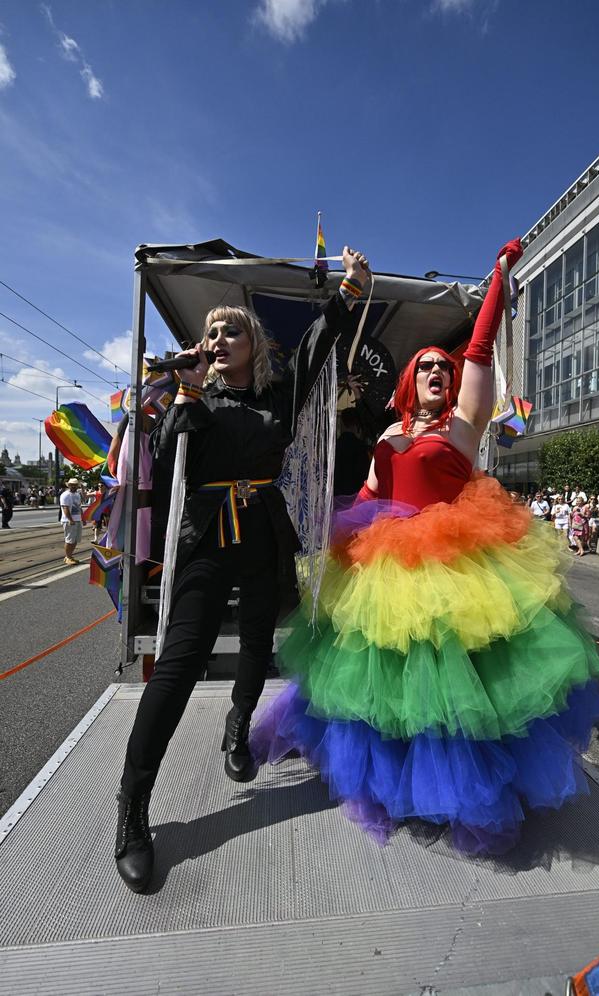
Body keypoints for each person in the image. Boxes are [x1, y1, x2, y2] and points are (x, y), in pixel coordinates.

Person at [251, 238, 599, 856]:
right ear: (411, 383)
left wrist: (496, 278)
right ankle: (398, 781)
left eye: (445, 368)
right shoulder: (389, 432)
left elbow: (479, 346)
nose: (440, 373)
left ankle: (460, 790)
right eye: (428, 368)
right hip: (389, 570)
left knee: (456, 686)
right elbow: (366, 494)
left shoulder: (464, 428)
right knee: (388, 683)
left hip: (457, 567)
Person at [114, 245, 372, 893]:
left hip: (262, 533)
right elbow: (171, 454)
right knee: (177, 663)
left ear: (255, 344)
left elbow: (316, 347)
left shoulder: (278, 398)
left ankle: (239, 723)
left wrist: (348, 294)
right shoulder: (191, 399)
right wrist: (187, 392)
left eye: (232, 330)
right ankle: (133, 811)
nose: (219, 338)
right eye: (210, 332)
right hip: (206, 537)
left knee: (259, 640)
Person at [59, 478, 83, 564]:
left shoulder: (77, 494)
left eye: (75, 485)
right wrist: (71, 519)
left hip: (78, 519)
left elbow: (79, 507)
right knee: (69, 540)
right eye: (71, 485)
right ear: (68, 485)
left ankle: (69, 556)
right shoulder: (65, 495)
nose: (73, 486)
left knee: (75, 540)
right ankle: (68, 557)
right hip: (69, 521)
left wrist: (82, 518)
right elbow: (65, 508)